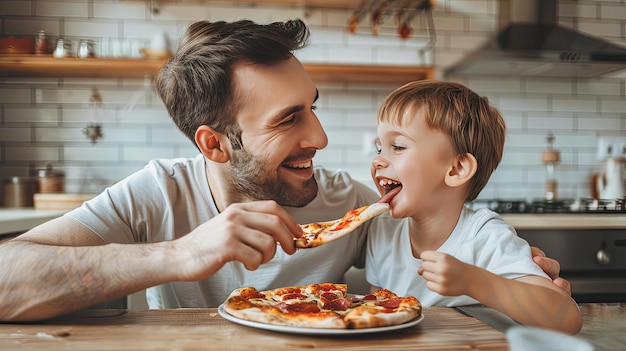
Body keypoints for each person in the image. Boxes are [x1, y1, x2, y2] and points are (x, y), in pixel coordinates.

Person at [0, 19, 567, 322]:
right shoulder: (157, 194)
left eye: (312, 106)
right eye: (288, 119)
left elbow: (441, 236)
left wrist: (514, 280)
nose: (318, 138)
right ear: (215, 145)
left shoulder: (355, 205)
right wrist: (177, 255)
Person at [365, 80, 582, 334]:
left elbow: (568, 318)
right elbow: (373, 315)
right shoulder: (382, 231)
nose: (378, 160)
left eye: (398, 147)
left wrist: (474, 281)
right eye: (379, 147)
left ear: (456, 169)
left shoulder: (486, 236)